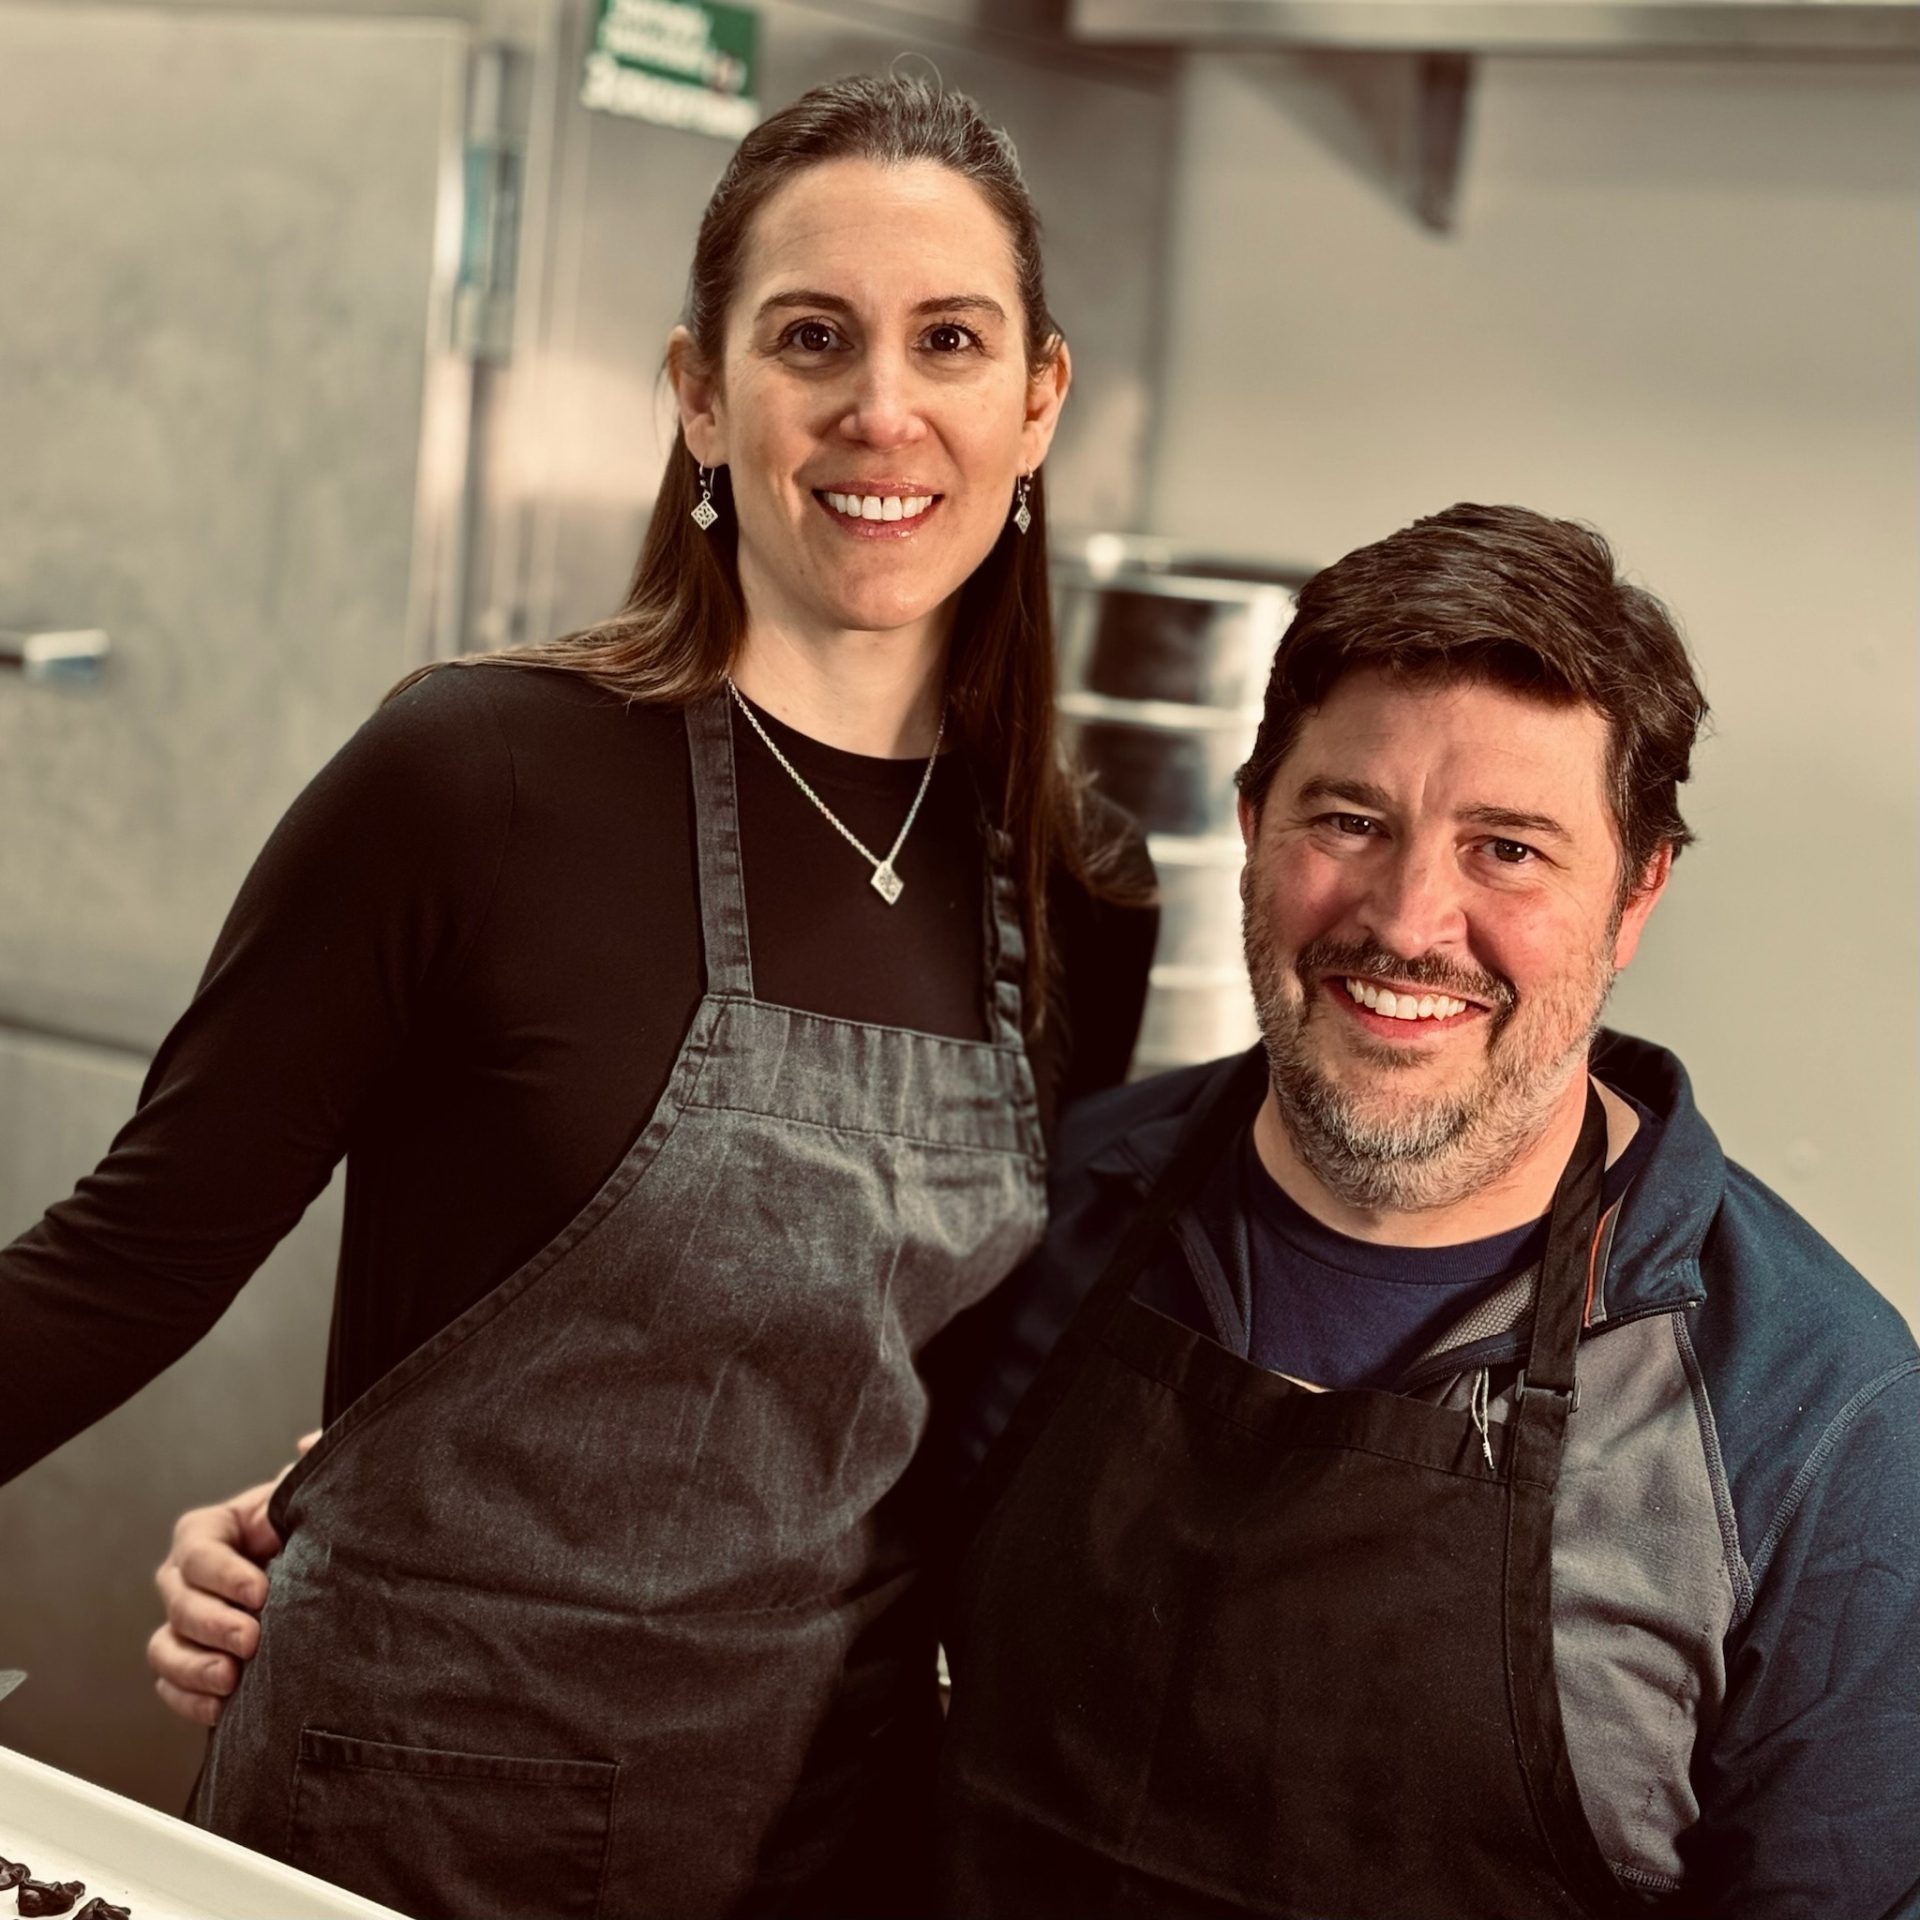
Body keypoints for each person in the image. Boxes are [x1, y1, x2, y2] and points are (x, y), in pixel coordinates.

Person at [0, 75, 1156, 1920]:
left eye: (950, 339)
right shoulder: (479, 777)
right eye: (810, 338)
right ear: (701, 392)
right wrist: (356, 1507)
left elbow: (937, 1419)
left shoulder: (1076, 888)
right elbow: (121, 1264)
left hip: (814, 1832)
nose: (883, 408)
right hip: (404, 1816)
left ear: (1037, 403)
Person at [927, 505, 1920, 1919]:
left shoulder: (1816, 1418)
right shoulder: (1045, 1208)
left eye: (1507, 850)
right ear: (1254, 827)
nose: (1404, 920)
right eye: (1349, 821)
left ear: (1637, 896)